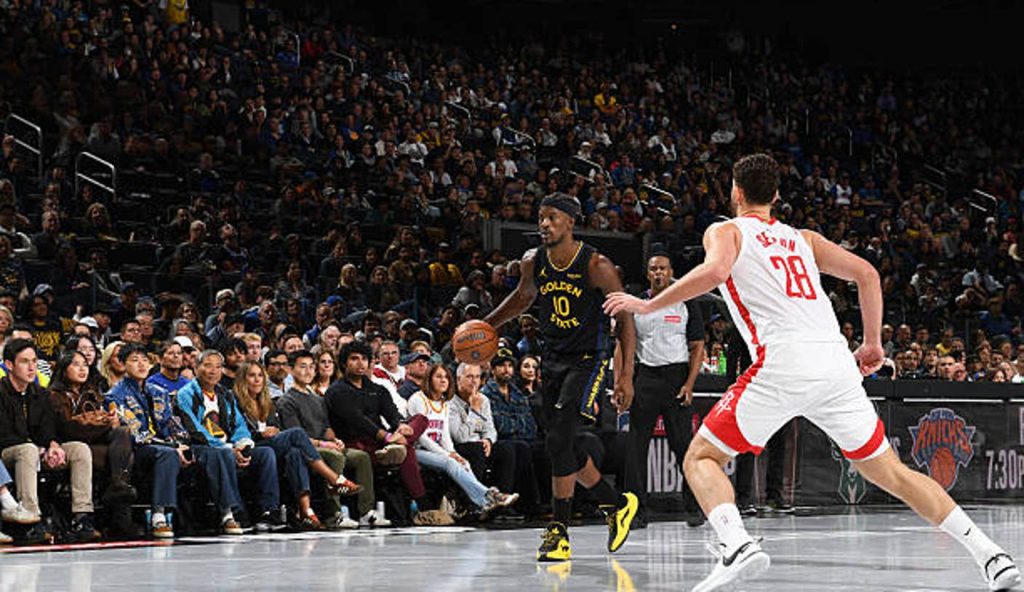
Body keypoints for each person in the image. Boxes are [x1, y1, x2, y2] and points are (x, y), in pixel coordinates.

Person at [603, 153, 1021, 592]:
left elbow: (717, 270)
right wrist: (873, 343)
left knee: (701, 457)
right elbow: (867, 274)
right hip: (836, 364)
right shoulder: (802, 237)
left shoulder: (725, 229)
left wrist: (649, 304)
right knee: (893, 474)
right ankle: (990, 555)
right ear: (777, 196)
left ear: (736, 193)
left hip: (784, 361)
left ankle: (736, 543)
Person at [483, 192, 639, 562]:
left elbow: (626, 318)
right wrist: (487, 324)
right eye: (541, 217)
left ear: (571, 222)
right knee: (561, 446)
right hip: (551, 357)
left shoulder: (597, 264)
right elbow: (523, 299)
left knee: (559, 439)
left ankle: (559, 532)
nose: (545, 224)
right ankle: (615, 504)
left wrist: (626, 375)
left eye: (553, 218)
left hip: (590, 358)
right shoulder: (533, 262)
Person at [623, 253, 705, 528]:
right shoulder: (637, 304)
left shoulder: (686, 302)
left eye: (663, 269)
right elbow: (623, 346)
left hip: (677, 378)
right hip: (645, 377)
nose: (658, 273)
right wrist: (622, 382)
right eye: (653, 269)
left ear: (671, 272)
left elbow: (697, 347)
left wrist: (690, 384)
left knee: (684, 447)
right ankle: (636, 511)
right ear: (648, 274)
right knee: (636, 448)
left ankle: (693, 507)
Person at [234, 359, 363, 531]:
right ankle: (333, 479)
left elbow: (278, 428)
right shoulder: (235, 401)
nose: (257, 380)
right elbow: (237, 430)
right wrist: (260, 434)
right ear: (243, 380)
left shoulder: (268, 403)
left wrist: (274, 432)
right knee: (297, 433)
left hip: (271, 445)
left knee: (295, 452)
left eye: (260, 376)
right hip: (251, 446)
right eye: (252, 376)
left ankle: (306, 510)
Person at [0, 339, 100, 542]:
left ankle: (81, 516)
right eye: (24, 362)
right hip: (8, 453)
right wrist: (37, 447)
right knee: (27, 450)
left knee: (79, 449)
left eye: (35, 361)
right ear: (9, 365)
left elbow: (48, 429)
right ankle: (30, 517)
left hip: (36, 450)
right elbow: (4, 434)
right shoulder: (1, 392)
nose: (31, 367)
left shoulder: (41, 394)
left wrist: (53, 446)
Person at [176, 350, 283, 535]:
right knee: (224, 454)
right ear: (196, 368)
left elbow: (239, 425)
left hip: (229, 447)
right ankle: (232, 512)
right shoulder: (186, 394)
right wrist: (228, 448)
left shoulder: (225, 394)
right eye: (208, 365)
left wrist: (243, 444)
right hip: (202, 448)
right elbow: (194, 429)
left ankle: (268, 512)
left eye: (218, 366)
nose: (213, 371)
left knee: (265, 453)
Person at [275, 351, 378, 529]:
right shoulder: (287, 401)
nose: (308, 371)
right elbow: (297, 436)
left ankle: (365, 512)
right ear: (291, 370)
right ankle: (334, 514)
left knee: (361, 457)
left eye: (311, 367)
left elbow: (326, 427)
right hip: (307, 450)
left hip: (325, 444)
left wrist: (335, 440)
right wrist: (326, 444)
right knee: (334, 457)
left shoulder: (317, 398)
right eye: (302, 366)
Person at [406, 363, 518, 520]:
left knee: (463, 462)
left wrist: (452, 452)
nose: (443, 380)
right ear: (429, 379)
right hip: (416, 450)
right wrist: (447, 455)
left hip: (438, 451)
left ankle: (480, 504)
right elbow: (421, 437)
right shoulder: (417, 399)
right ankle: (489, 496)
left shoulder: (442, 403)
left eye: (446, 377)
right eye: (438, 377)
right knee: (451, 462)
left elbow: (444, 435)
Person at [49, 350, 139, 535]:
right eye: (75, 364)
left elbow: (95, 427)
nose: (82, 369)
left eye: (85, 364)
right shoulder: (54, 395)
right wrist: (103, 426)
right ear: (63, 370)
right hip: (69, 446)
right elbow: (67, 430)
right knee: (124, 458)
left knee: (122, 432)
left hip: (93, 443)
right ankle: (120, 514)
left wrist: (111, 421)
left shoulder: (92, 393)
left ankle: (117, 486)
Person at [105, 342, 188, 539]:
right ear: (123, 365)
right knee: (167, 454)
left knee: (196, 453)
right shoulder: (115, 396)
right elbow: (136, 434)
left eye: (145, 360)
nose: (141, 365)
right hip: (137, 450)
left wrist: (181, 443)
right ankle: (159, 514)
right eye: (134, 360)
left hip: (164, 444)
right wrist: (172, 446)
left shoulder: (158, 391)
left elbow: (171, 424)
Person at [481, 348, 541, 515]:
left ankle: (538, 502)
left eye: (509, 365)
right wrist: (517, 425)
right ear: (493, 370)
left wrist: (512, 425)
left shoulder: (518, 394)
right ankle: (507, 504)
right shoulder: (486, 394)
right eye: (501, 365)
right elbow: (498, 426)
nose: (506, 369)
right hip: (496, 442)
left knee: (543, 449)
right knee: (517, 448)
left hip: (520, 440)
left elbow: (531, 426)